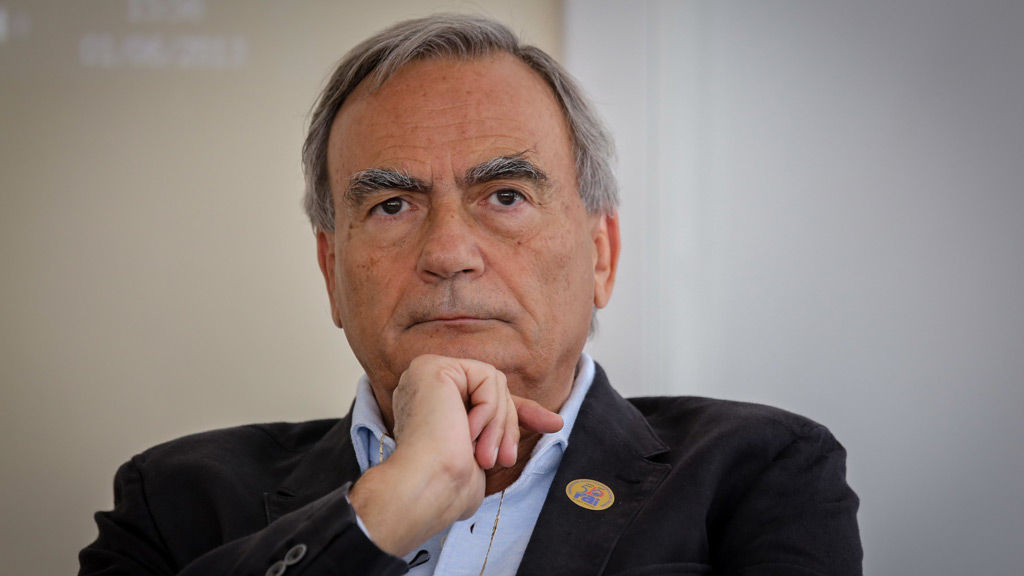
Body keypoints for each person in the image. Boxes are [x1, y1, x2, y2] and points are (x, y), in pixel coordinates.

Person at [79, 13, 862, 576]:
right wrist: (388, 506)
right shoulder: (176, 499)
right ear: (330, 269)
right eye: (392, 206)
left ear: (601, 255)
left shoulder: (758, 472)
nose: (448, 253)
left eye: (507, 196)